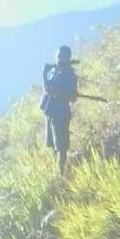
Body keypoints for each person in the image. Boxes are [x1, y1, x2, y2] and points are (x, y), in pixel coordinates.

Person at [41, 46, 78, 176]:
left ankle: (61, 173)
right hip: (50, 111)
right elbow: (47, 89)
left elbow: (73, 97)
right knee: (52, 144)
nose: (60, 59)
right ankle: (56, 171)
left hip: (61, 113)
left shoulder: (70, 75)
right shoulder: (53, 71)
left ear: (68, 57)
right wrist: (44, 75)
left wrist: (59, 94)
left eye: (63, 56)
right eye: (58, 56)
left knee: (61, 147)